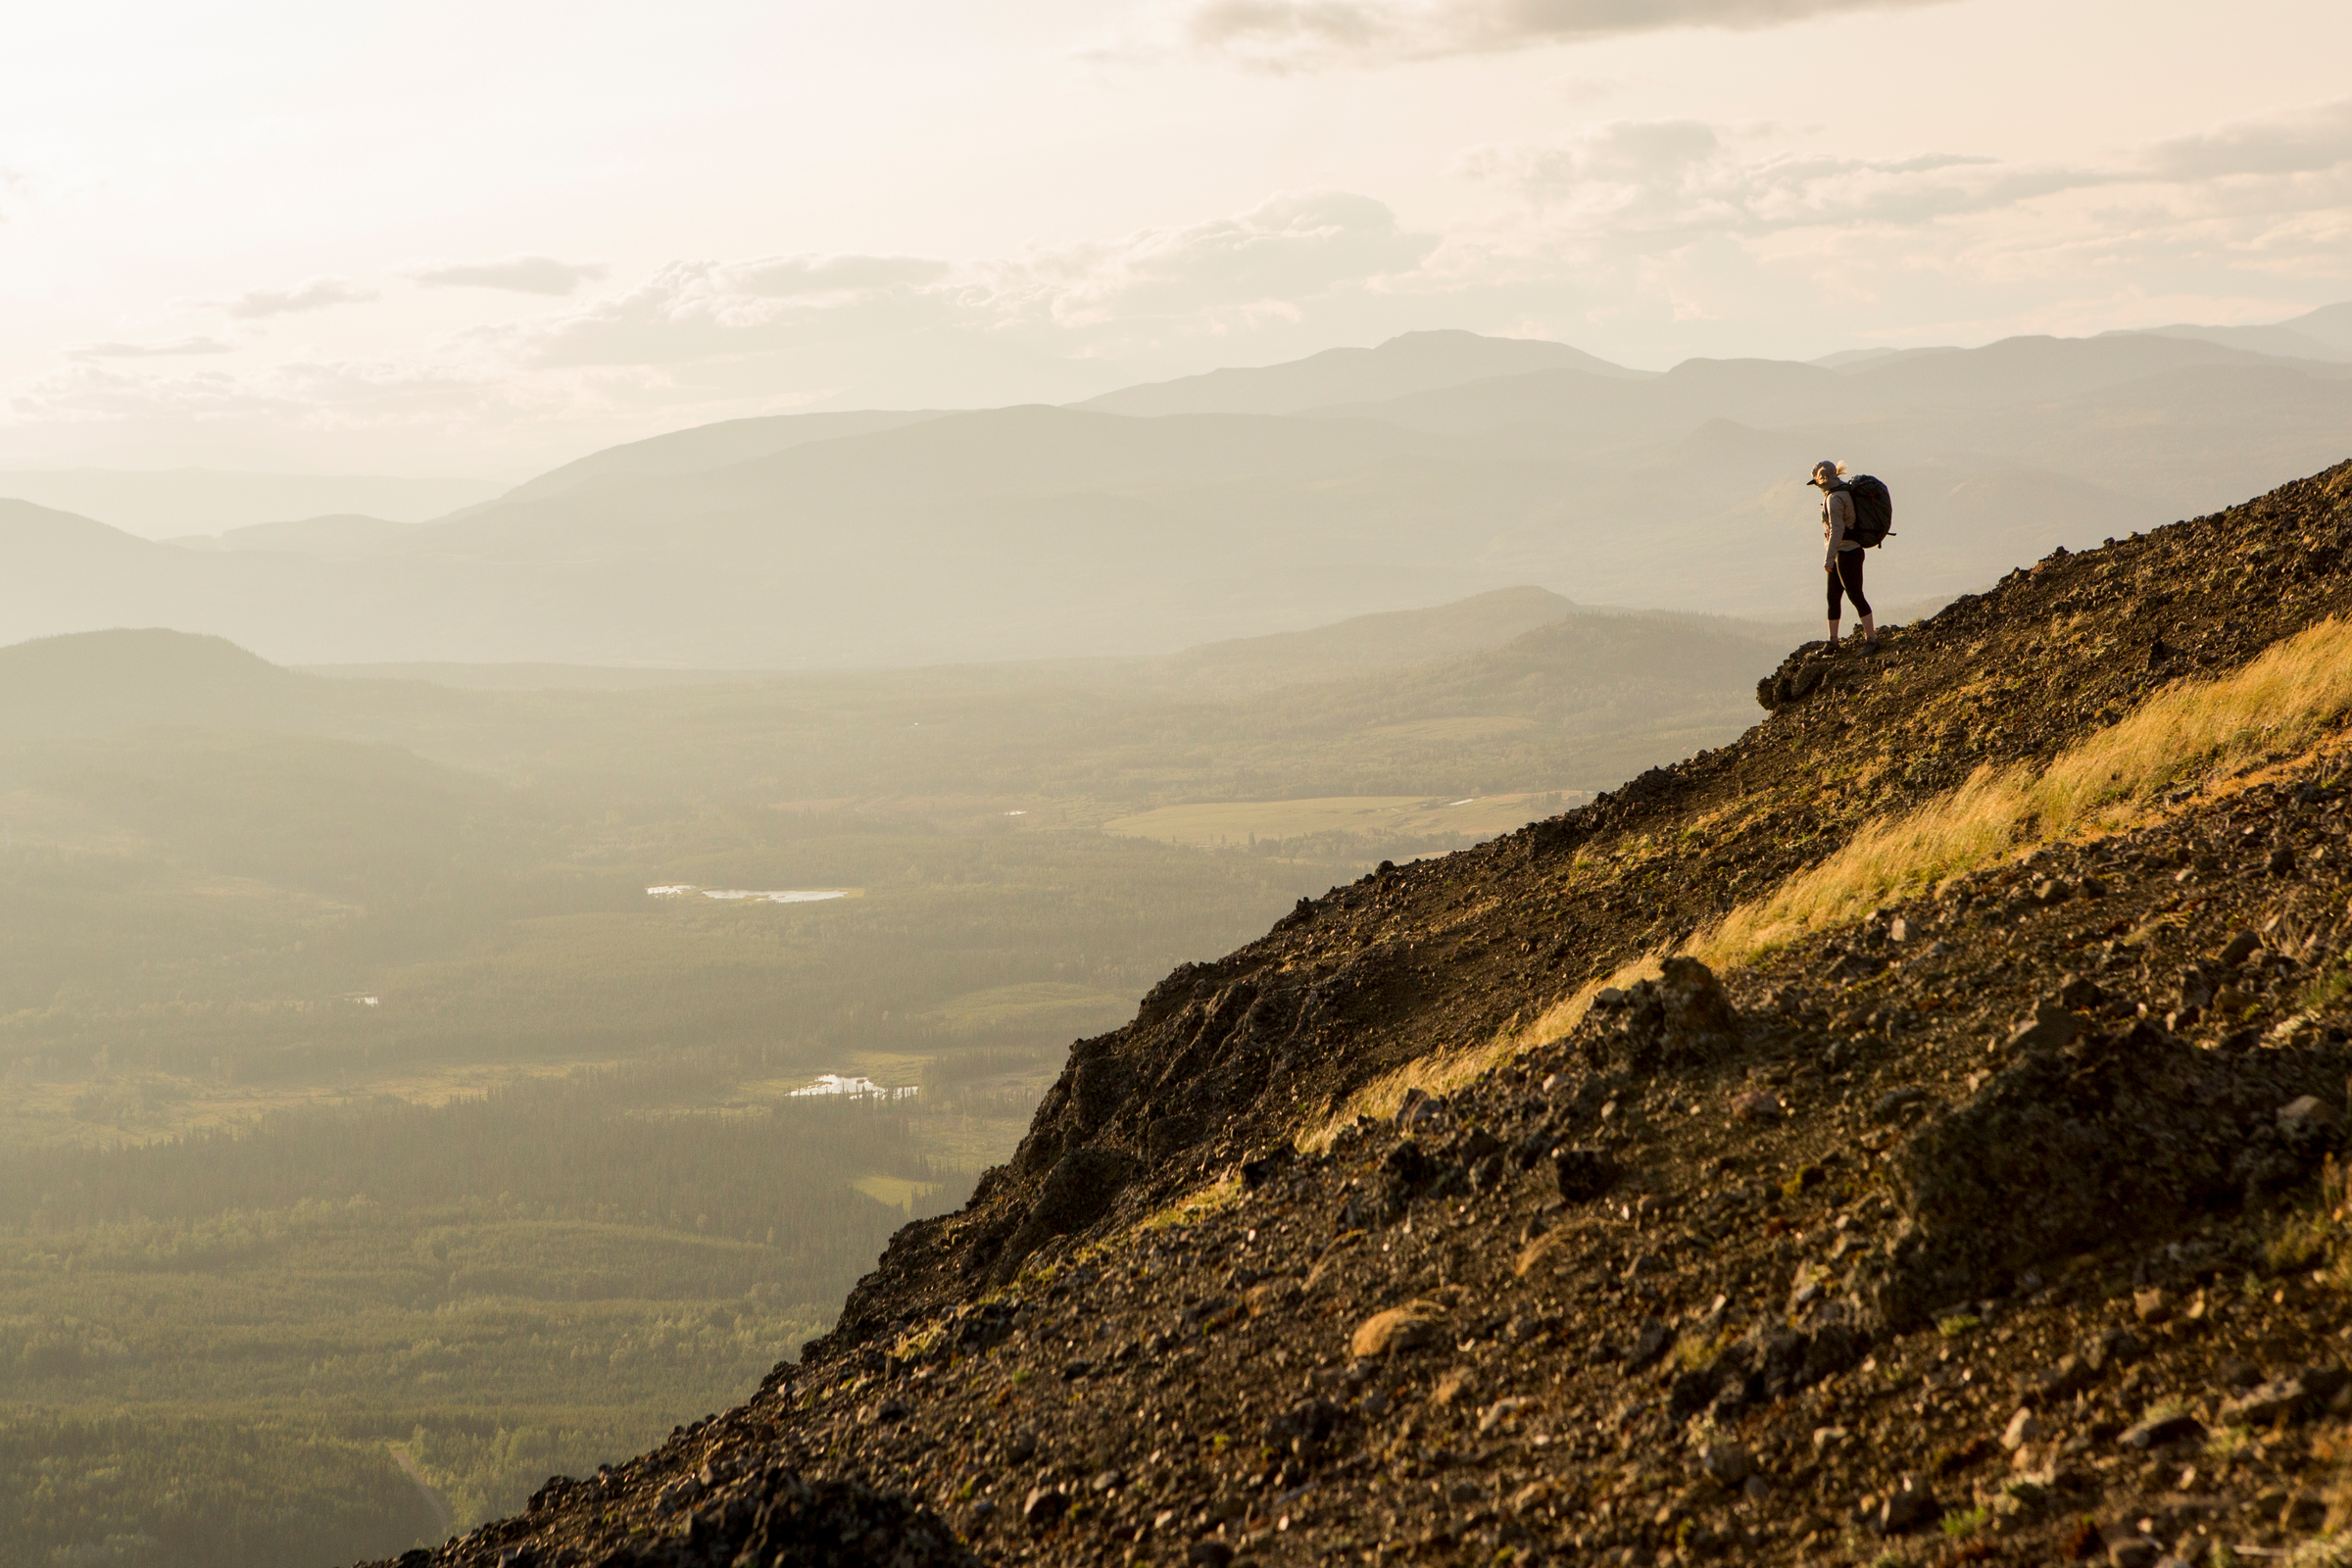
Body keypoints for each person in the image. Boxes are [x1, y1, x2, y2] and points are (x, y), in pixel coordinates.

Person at [1809, 460, 1876, 654]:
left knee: (1854, 595)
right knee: (1833, 596)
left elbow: (1837, 530)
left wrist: (1829, 558)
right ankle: (1833, 641)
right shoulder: (1843, 492)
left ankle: (1871, 639)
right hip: (1847, 551)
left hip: (1846, 553)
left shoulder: (1834, 499)